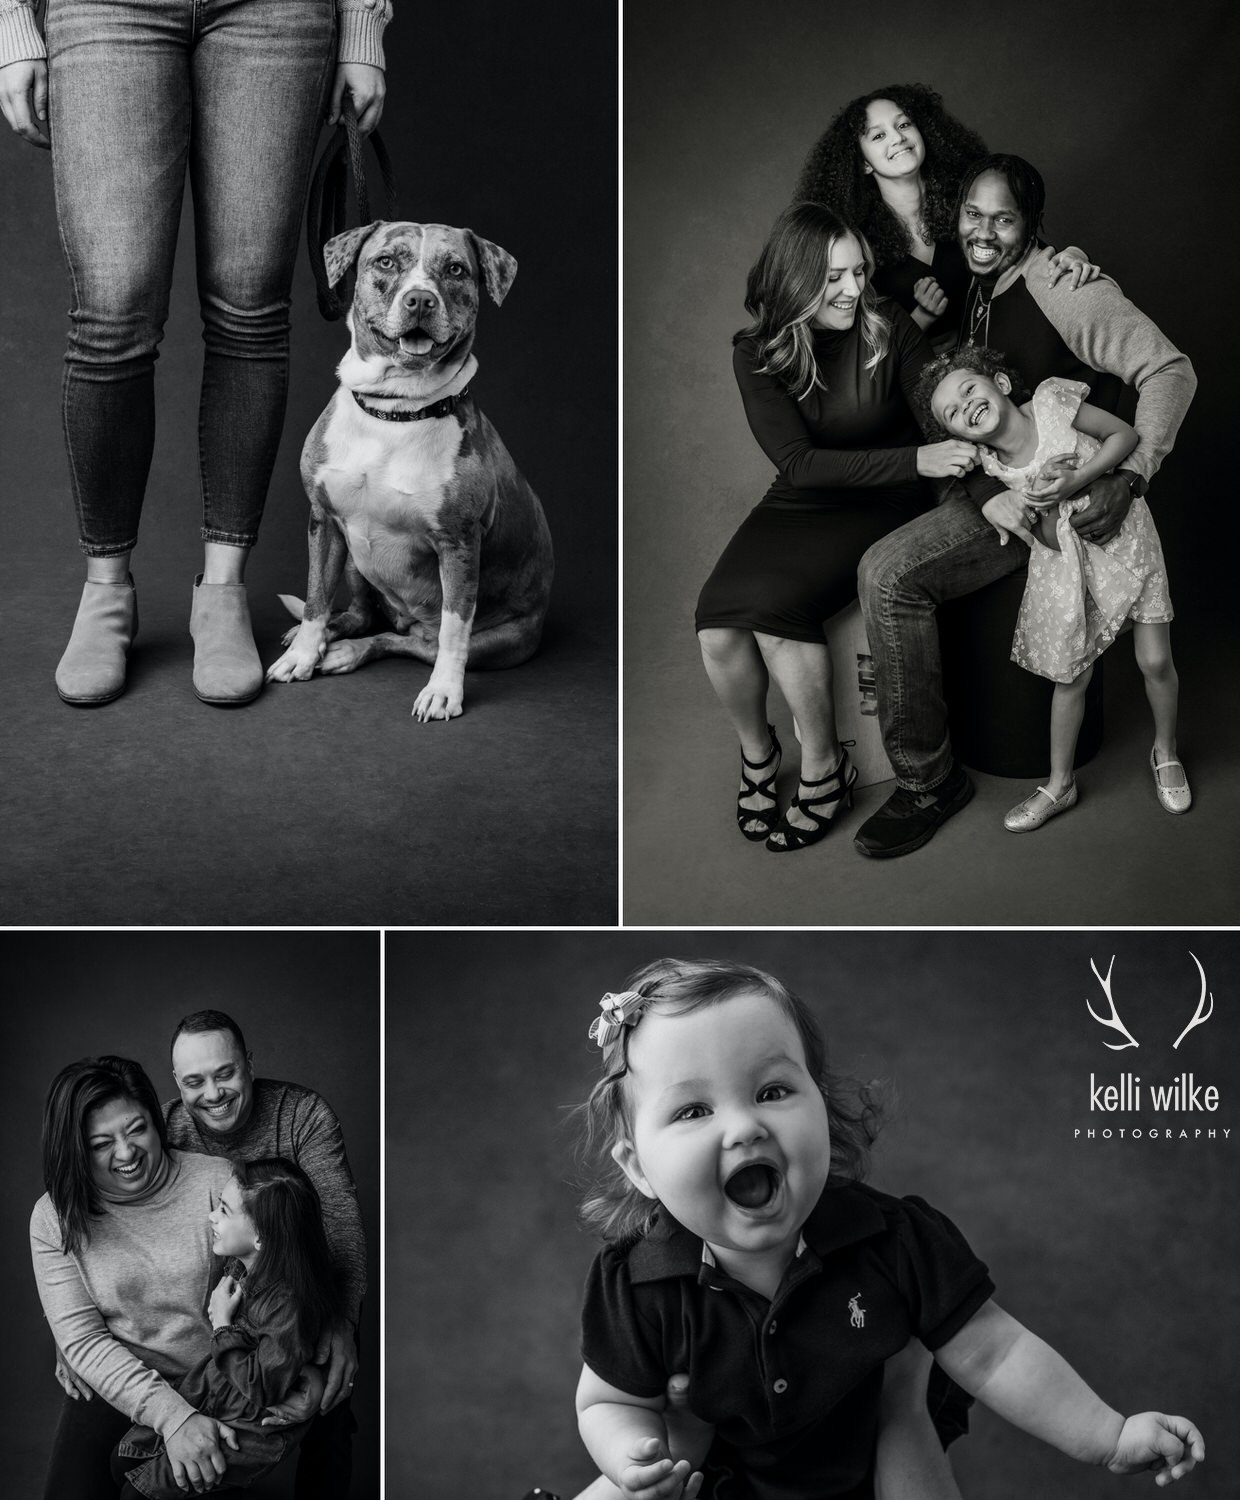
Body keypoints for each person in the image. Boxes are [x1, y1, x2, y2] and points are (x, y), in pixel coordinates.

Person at [570, 959, 1205, 1499]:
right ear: (639, 1168)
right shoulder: (637, 1283)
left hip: (872, 1473)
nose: (744, 1128)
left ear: (821, 1104)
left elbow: (996, 1352)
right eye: (693, 1109)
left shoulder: (894, 1240)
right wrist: (632, 1457)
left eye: (771, 1091)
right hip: (718, 1481)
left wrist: (1108, 1434)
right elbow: (607, 1403)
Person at [0, 0, 390, 706]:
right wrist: (10, 21)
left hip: (276, 13)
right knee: (113, 307)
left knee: (249, 303)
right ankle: (106, 594)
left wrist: (360, 22)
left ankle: (222, 593)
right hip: (103, 7)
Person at [854, 154, 1197, 858]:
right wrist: (983, 489)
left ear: (1031, 225)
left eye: (1003, 219)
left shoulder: (1060, 286)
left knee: (888, 574)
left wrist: (1129, 475)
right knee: (880, 565)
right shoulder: (974, 273)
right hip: (991, 479)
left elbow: (1170, 370)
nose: (983, 231)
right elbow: (890, 272)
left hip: (1048, 501)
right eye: (972, 215)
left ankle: (927, 784)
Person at [695, 202, 977, 853]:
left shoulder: (891, 325)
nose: (853, 290)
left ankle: (825, 771)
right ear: (796, 281)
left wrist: (941, 468)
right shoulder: (756, 353)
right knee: (716, 623)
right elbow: (798, 463)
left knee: (776, 613)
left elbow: (935, 420)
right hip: (802, 496)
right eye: (834, 279)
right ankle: (760, 756)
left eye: (859, 272)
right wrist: (917, 455)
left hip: (888, 498)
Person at [920, 347, 1187, 830]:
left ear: (999, 383)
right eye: (952, 414)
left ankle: (1165, 752)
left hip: (1126, 541)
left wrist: (1078, 479)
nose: (966, 407)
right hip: (1069, 566)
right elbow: (1046, 540)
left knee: (1154, 660)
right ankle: (1060, 784)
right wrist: (1044, 502)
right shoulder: (997, 472)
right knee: (1071, 678)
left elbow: (1124, 434)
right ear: (956, 434)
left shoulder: (1051, 402)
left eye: (969, 390)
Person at [166, 1009, 367, 1497]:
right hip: (208, 1316)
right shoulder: (168, 1127)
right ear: (176, 1082)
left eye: (226, 1073)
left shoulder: (301, 1115)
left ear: (249, 1063)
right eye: (195, 1081)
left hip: (297, 1309)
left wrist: (324, 1353)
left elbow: (341, 1230)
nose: (213, 1094)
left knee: (330, 1410)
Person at [30, 1055, 243, 1499]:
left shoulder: (219, 1184)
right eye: (100, 1144)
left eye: (137, 1130)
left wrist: (192, 1415)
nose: (126, 1153)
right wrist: (171, 1417)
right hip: (119, 1382)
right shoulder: (54, 1217)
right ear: (73, 1149)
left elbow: (269, 1300)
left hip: (215, 1383)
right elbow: (84, 1341)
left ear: (156, 1120)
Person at [112, 1156, 341, 1499]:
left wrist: (222, 1323)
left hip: (246, 1430)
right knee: (122, 1464)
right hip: (208, 1397)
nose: (211, 1216)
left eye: (223, 1210)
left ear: (262, 1237)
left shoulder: (286, 1305)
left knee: (137, 1494)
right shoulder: (241, 1264)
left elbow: (262, 1387)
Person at [796, 86, 1096, 344]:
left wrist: (1072, 255)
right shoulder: (856, 242)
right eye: (878, 136)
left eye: (903, 125)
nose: (898, 138)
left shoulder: (966, 203)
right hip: (928, 388)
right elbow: (862, 348)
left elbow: (1025, 252)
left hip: (1007, 353)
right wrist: (921, 318)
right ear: (863, 164)